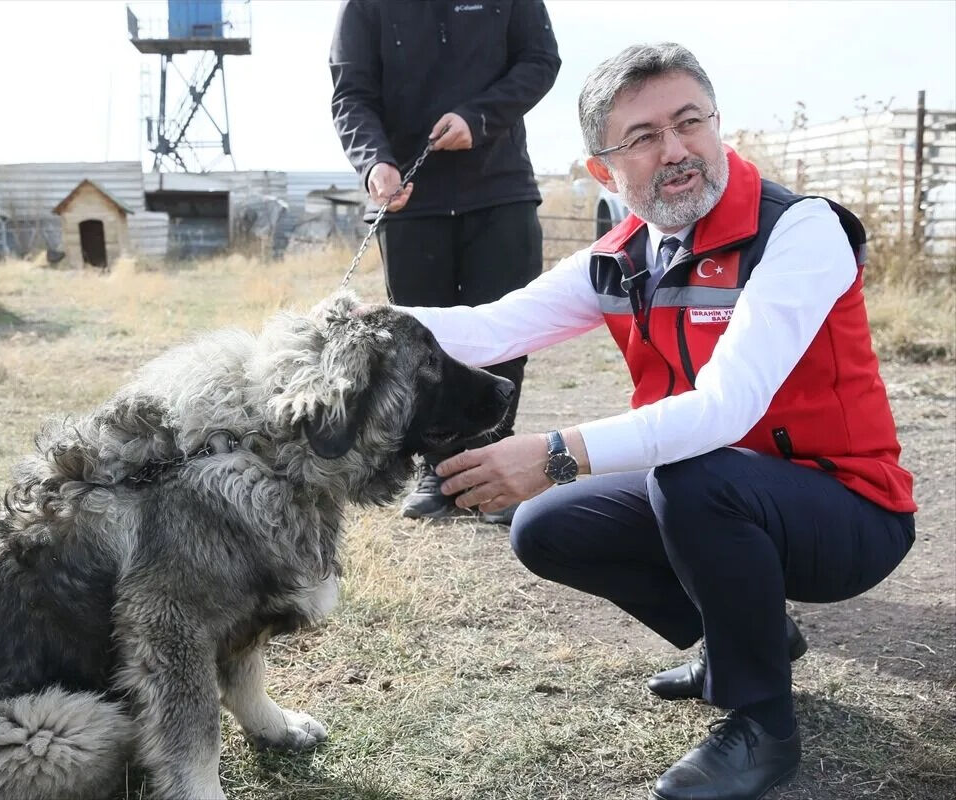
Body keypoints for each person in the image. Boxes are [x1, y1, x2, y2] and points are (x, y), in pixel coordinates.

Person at [392, 43, 917, 800]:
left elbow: (724, 411)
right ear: (603, 170)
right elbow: (488, 329)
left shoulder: (799, 232)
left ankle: (761, 724)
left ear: (717, 126)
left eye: (689, 122)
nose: (675, 150)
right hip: (721, 494)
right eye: (643, 136)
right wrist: (354, 323)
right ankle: (749, 639)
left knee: (692, 475)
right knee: (545, 526)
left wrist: (554, 452)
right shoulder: (622, 257)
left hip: (848, 514)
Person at [329, 0, 561, 524]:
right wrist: (374, 162)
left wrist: (480, 118)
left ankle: (494, 469)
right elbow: (351, 94)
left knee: (507, 333)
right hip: (409, 201)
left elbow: (540, 60)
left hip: (500, 190)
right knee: (421, 344)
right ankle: (439, 471)